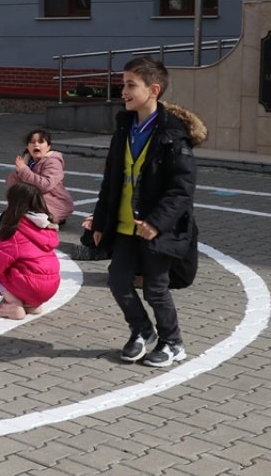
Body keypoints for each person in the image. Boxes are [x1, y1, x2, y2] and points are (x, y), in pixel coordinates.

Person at [87, 57, 205, 368]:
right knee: (118, 280)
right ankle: (141, 330)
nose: (122, 91)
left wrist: (156, 222)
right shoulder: (125, 127)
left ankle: (173, 342)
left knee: (155, 288)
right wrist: (100, 221)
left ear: (153, 89)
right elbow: (111, 180)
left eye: (130, 85)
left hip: (157, 229)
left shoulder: (172, 135)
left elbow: (182, 189)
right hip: (126, 225)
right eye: (122, 84)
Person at [0, 183, 61, 320]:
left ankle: (12, 306)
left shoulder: (16, 230)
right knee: (27, 268)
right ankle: (31, 304)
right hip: (49, 287)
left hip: (31, 285)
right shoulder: (46, 227)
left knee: (0, 269)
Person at [6, 128, 75, 225]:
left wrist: (23, 170)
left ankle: (53, 218)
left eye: (41, 142)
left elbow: (45, 185)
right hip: (34, 202)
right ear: (27, 146)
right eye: (32, 142)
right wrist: (21, 168)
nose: (36, 145)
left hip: (54, 203)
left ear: (48, 146)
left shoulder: (53, 161)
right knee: (8, 219)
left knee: (25, 222)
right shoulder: (28, 162)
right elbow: (11, 184)